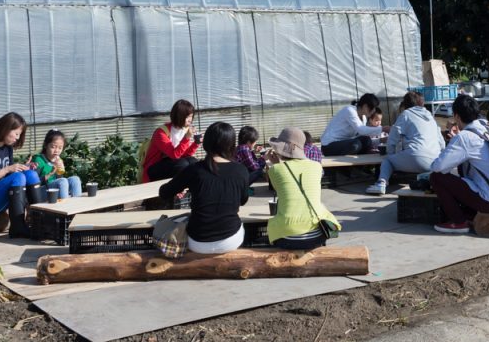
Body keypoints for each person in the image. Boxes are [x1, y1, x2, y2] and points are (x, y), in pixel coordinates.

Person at [158, 122, 250, 254]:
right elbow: (242, 201)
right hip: (230, 241)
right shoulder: (241, 170)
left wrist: (184, 185)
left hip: (197, 242)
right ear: (231, 145)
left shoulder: (194, 170)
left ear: (206, 142)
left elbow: (164, 193)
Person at [429, 94, 489, 234]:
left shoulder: (464, 137)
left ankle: (459, 222)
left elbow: (438, 167)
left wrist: (453, 142)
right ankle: (468, 214)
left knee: (436, 177)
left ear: (457, 116)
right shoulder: (485, 128)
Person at [266, 126, 340, 250]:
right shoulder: (317, 166)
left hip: (286, 238)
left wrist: (274, 164)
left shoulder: (275, 170)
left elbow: (279, 189)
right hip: (317, 235)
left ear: (280, 149)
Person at [365, 91, 445, 195]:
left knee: (387, 161)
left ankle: (381, 184)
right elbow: (442, 144)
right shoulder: (430, 117)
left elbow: (393, 137)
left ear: (405, 104)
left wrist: (390, 153)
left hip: (415, 157)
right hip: (434, 162)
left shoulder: (406, 114)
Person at [141, 99, 201, 183]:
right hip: (154, 169)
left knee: (193, 161)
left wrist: (196, 143)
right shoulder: (161, 132)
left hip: (173, 164)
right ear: (178, 116)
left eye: (191, 116)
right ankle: (177, 191)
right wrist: (186, 138)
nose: (190, 120)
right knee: (182, 164)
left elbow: (185, 155)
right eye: (187, 117)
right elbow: (174, 155)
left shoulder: (185, 129)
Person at [31, 129, 82, 200]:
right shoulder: (38, 160)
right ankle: (63, 208)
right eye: (53, 147)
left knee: (75, 179)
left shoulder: (58, 160)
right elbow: (33, 183)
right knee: (62, 181)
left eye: (60, 148)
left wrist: (59, 172)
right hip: (39, 191)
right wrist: (51, 173)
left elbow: (58, 180)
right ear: (46, 145)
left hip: (53, 189)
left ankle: (77, 207)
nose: (57, 151)